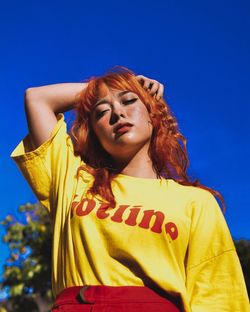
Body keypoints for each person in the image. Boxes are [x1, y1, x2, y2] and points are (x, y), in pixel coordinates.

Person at [11, 66, 249, 311]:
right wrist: (108, 88)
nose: (117, 113)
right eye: (101, 112)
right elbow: (37, 98)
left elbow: (218, 294)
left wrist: (124, 89)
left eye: (129, 101)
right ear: (95, 135)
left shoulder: (196, 202)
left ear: (153, 114)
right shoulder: (73, 180)